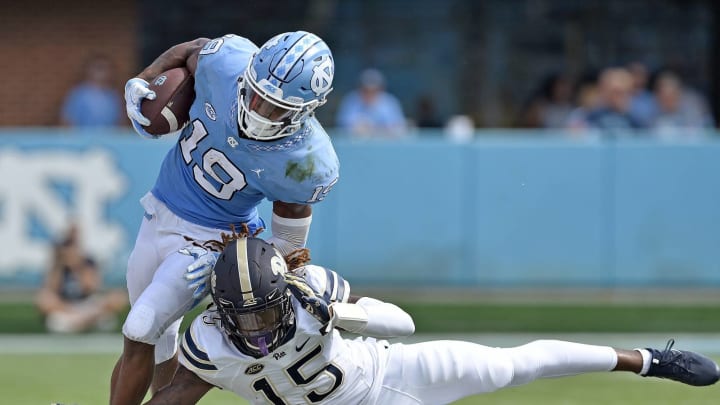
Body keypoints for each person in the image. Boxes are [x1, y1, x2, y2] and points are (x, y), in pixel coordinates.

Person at [145, 232, 720, 404]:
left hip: (391, 376)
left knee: (509, 368)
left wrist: (337, 312)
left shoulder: (310, 291)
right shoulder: (207, 343)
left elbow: (404, 324)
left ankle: (646, 361)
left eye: (263, 312)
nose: (255, 328)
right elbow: (175, 398)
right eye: (240, 318)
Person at [111, 31, 340, 405]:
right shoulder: (226, 62)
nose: (260, 110)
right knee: (157, 340)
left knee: (140, 328)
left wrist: (235, 267)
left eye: (276, 107)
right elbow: (188, 51)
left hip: (210, 240)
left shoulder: (305, 161)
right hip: (157, 213)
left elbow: (288, 245)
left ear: (306, 110)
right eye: (256, 94)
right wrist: (143, 77)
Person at [35, 223, 127, 333]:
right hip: (65, 305)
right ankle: (84, 321)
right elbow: (51, 289)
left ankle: (78, 323)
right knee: (44, 299)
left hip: (87, 303)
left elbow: (90, 287)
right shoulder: (58, 264)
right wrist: (60, 265)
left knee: (118, 297)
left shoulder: (87, 262)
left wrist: (76, 267)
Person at [335, 68, 407, 137]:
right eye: (366, 90)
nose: (370, 93)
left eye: (374, 90)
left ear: (381, 89)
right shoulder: (351, 100)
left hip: (385, 147)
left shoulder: (390, 102)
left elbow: (399, 128)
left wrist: (376, 130)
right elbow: (343, 126)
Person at [60, 54, 123, 127]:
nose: (103, 73)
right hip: (82, 137)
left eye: (106, 69)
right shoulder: (78, 94)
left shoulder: (113, 95)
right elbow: (67, 120)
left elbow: (120, 122)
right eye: (99, 68)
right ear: (89, 70)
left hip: (109, 137)